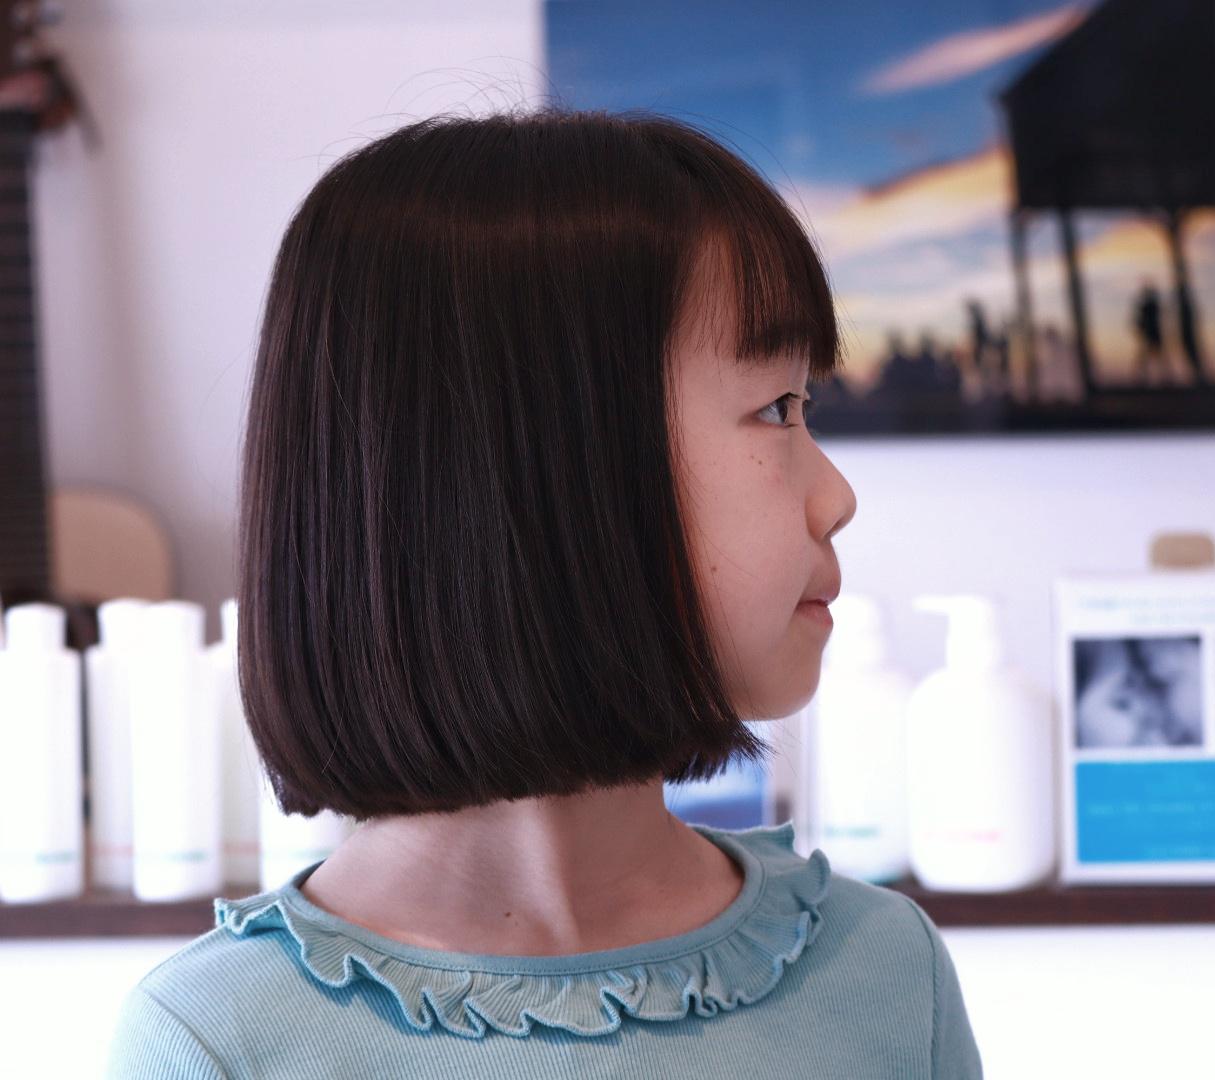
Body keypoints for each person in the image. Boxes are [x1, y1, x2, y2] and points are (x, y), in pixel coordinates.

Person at [105, 109, 984, 1078]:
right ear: (531, 474)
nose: (838, 496)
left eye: (804, 405)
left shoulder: (885, 972)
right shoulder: (217, 1041)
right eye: (776, 408)